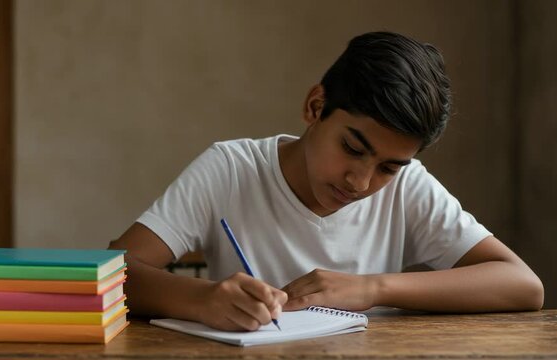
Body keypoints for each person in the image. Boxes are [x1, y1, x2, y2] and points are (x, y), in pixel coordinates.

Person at [109, 31, 544, 331]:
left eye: (389, 167)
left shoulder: (406, 187)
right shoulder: (231, 168)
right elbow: (113, 271)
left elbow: (522, 285)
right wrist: (202, 300)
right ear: (315, 106)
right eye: (353, 149)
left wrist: (372, 288)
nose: (361, 180)